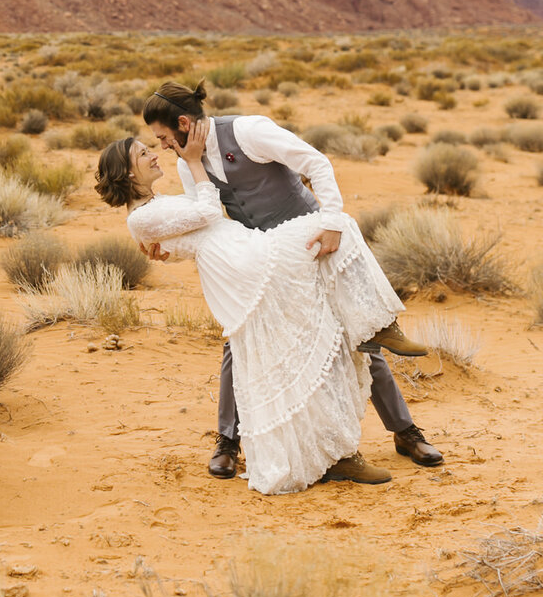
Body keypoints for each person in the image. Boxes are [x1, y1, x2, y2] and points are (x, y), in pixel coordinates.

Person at [95, 123, 423, 495]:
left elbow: (186, 235)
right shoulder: (139, 217)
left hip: (246, 253)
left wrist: (166, 249)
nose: (155, 152)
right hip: (247, 264)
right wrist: (193, 161)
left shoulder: (156, 205)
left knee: (300, 353)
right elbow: (207, 211)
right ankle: (378, 326)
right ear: (126, 173)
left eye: (153, 145)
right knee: (334, 225)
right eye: (143, 153)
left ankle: (337, 447)